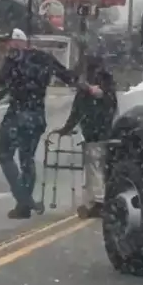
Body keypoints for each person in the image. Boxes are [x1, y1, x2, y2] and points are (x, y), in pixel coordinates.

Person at [0, 28, 99, 219]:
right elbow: (67, 77)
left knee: (5, 156)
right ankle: (23, 207)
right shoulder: (44, 58)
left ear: (18, 42)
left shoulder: (12, 61)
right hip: (36, 117)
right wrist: (88, 87)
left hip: (16, 115)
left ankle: (24, 199)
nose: (7, 47)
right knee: (27, 160)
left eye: (8, 42)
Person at [55, 55, 118, 218]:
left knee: (94, 166)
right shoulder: (106, 86)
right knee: (95, 167)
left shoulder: (99, 87)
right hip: (100, 132)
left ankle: (98, 201)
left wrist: (66, 129)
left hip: (97, 132)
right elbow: (78, 111)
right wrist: (66, 129)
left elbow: (82, 108)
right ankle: (94, 201)